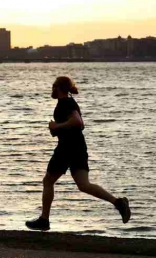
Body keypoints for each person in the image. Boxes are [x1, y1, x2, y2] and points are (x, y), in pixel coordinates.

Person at [25, 76, 131, 231]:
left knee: (48, 181)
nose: (51, 90)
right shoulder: (69, 102)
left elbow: (78, 122)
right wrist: (56, 129)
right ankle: (118, 203)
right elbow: (76, 124)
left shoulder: (66, 103)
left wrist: (56, 126)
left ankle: (44, 220)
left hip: (67, 148)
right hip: (78, 147)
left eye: (53, 86)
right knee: (84, 185)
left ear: (58, 88)